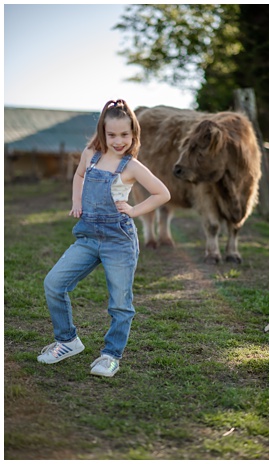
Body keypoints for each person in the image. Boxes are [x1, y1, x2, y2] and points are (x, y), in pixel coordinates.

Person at [37, 99, 170, 377]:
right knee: (53, 283)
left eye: (125, 134)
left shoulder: (131, 166)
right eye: (112, 135)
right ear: (102, 132)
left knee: (120, 303)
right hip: (87, 237)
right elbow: (79, 175)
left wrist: (133, 210)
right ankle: (67, 341)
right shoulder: (90, 154)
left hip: (118, 241)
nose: (118, 140)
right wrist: (77, 201)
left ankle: (111, 355)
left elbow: (162, 193)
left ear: (133, 134)